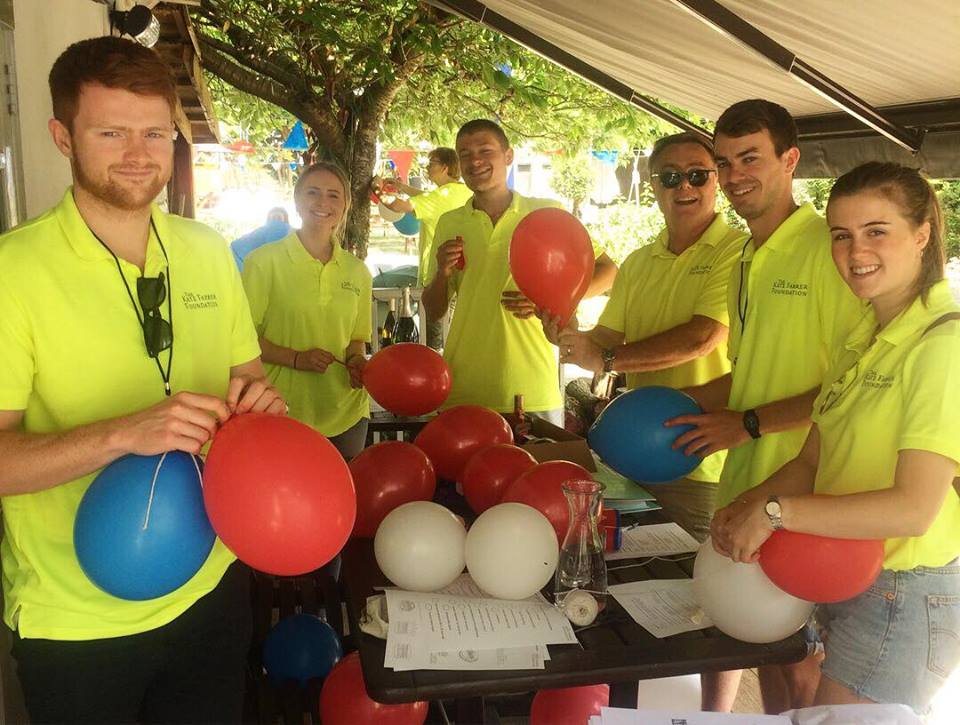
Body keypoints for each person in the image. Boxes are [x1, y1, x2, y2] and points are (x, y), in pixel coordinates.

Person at [0, 36, 284, 723]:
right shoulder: (14, 270)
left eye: (155, 132)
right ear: (62, 136)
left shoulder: (207, 249)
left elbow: (248, 379)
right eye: (111, 132)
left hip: (211, 587)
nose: (138, 152)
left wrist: (258, 406)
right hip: (77, 621)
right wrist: (124, 433)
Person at [715, 161, 960, 715]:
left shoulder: (942, 344)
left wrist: (776, 515)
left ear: (921, 235)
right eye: (841, 235)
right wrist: (747, 504)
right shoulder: (863, 334)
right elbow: (813, 459)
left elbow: (913, 510)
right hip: (845, 574)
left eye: (877, 231)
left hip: (903, 590)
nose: (856, 252)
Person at [666, 99, 865, 713]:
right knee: (761, 652)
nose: (733, 176)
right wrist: (677, 403)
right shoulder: (747, 256)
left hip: (807, 494)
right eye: (723, 162)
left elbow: (850, 387)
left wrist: (747, 424)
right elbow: (750, 373)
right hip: (749, 485)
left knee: (800, 671)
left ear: (791, 160)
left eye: (750, 158)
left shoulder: (826, 249)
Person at [546, 132, 745, 544]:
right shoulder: (638, 262)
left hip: (703, 457)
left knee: (691, 581)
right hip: (634, 450)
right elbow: (605, 338)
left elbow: (702, 337)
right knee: (633, 579)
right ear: (653, 184)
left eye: (697, 175)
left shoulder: (738, 251)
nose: (684, 186)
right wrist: (569, 335)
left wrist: (607, 358)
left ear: (718, 181)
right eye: (670, 177)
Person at [421, 119, 617, 426]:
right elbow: (434, 310)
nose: (475, 161)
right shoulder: (450, 221)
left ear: (508, 156)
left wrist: (555, 301)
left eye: (486, 151)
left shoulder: (548, 212)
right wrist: (442, 275)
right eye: (465, 153)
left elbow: (607, 271)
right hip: (464, 388)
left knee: (532, 473)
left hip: (532, 389)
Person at [242, 162, 372, 460]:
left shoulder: (357, 271)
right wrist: (297, 359)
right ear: (297, 200)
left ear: (345, 206)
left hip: (346, 413)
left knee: (345, 499)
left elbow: (355, 340)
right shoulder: (263, 262)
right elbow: (243, 342)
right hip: (281, 409)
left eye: (334, 195)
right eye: (313, 192)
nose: (323, 203)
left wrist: (357, 363)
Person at [374, 147, 474, 287]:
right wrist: (401, 186)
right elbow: (425, 196)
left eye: (432, 163)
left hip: (436, 275)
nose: (427, 167)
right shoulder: (464, 191)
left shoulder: (439, 197)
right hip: (461, 273)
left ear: (445, 168)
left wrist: (376, 188)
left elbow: (397, 206)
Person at [230, 206, 290, 271]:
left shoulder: (285, 230)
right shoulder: (276, 230)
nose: (275, 221)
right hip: (240, 258)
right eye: (273, 218)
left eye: (278, 218)